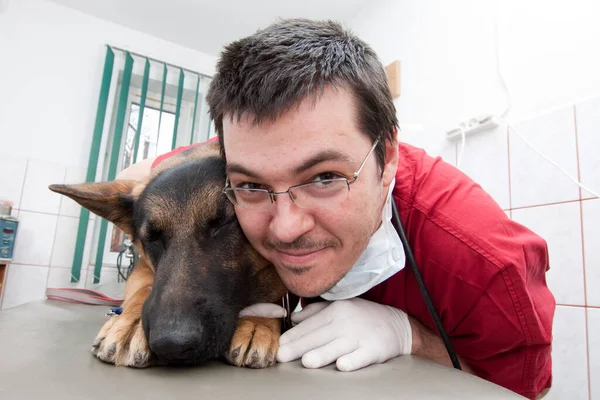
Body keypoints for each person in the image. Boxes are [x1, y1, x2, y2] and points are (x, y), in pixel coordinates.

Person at [118, 19, 555, 399]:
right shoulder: (231, 160)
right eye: (251, 184)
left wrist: (412, 338)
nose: (285, 229)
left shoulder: (483, 263)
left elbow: (524, 389)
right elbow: (141, 176)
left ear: (386, 159)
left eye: (324, 177)